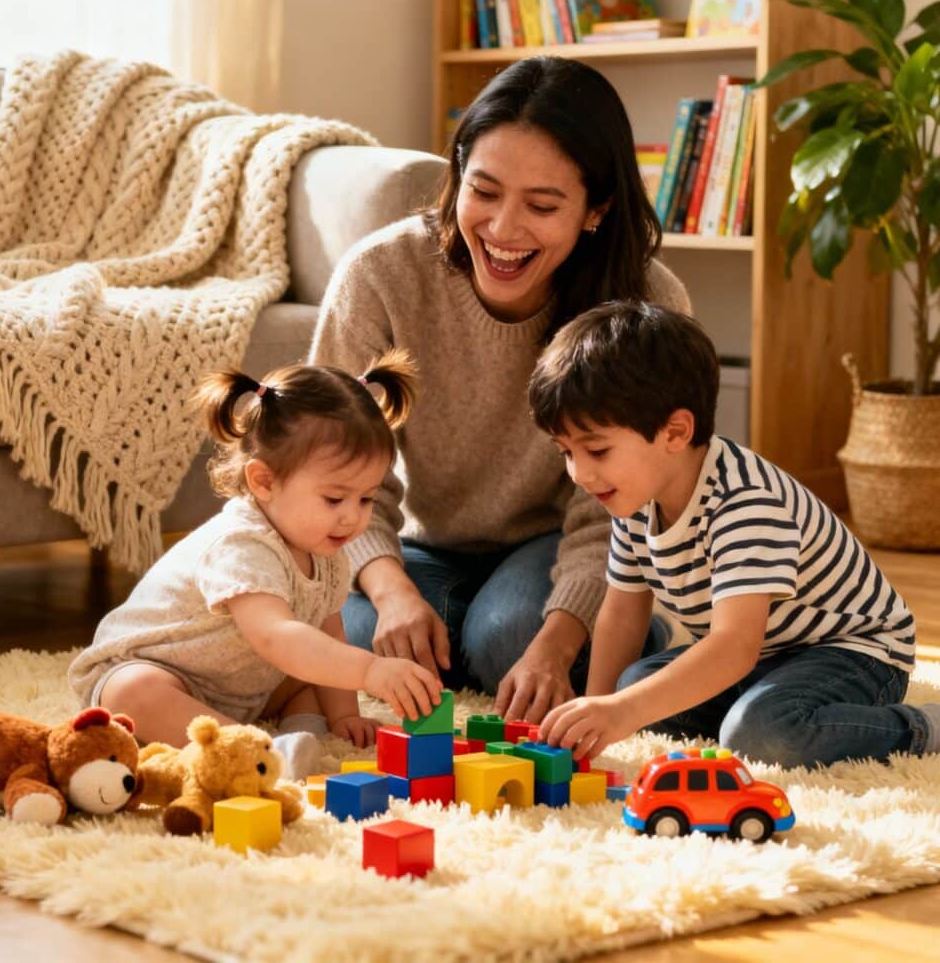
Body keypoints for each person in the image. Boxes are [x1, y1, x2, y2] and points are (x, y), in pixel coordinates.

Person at [310, 56, 690, 723]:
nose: (503, 230)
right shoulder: (380, 275)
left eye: (542, 206)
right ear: (457, 175)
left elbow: (619, 508)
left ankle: (619, 635)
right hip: (419, 544)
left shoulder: (647, 304)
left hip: (552, 544)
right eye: (483, 192)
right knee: (355, 633)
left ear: (596, 210)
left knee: (510, 640)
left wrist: (558, 641)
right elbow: (326, 463)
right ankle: (463, 627)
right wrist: (393, 592)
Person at [530, 301, 940, 768]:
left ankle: (920, 727)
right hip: (763, 653)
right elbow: (622, 614)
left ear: (675, 432)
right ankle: (760, 703)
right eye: (566, 453)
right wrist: (598, 709)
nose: (580, 473)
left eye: (597, 451)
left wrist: (622, 712)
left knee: (759, 734)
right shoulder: (633, 497)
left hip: (852, 651)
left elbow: (734, 646)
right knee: (633, 687)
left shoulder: (745, 502)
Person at [68, 350, 442, 778]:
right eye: (335, 498)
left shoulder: (325, 547)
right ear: (263, 481)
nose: (353, 517)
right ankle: (253, 753)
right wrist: (369, 670)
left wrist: (344, 716)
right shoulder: (241, 543)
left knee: (312, 666)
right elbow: (275, 636)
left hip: (237, 686)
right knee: (135, 692)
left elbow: (329, 631)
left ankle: (303, 733)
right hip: (156, 672)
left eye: (366, 498)